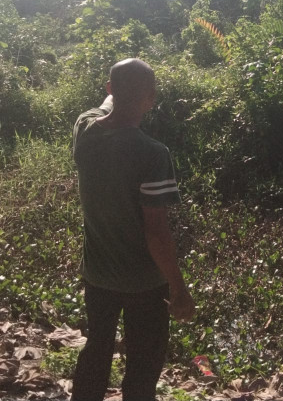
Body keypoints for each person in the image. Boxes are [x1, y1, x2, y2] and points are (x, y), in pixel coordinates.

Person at [70, 58, 194, 401]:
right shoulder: (153, 154)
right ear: (151, 99)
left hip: (97, 276)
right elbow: (156, 233)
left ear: (109, 89)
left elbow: (106, 105)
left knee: (96, 350)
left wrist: (118, 90)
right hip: (144, 284)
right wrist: (178, 286)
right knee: (142, 366)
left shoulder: (85, 130)